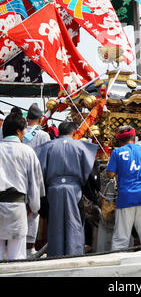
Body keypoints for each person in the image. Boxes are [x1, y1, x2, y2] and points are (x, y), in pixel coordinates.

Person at [34, 121, 98, 258]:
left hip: (53, 190)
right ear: (74, 132)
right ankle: (74, 255)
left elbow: (39, 173)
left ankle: (55, 256)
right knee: (75, 224)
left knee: (55, 225)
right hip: (74, 190)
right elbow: (90, 172)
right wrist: (94, 195)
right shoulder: (81, 147)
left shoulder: (47, 147)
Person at [0, 113, 45, 260]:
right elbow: (35, 183)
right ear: (19, 131)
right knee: (17, 256)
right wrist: (34, 207)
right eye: (23, 131)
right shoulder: (28, 152)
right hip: (18, 208)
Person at [106, 125, 141, 251]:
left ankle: (118, 266)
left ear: (119, 140)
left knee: (121, 237)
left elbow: (110, 174)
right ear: (134, 138)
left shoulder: (117, 152)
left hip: (126, 197)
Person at [23, 103, 51, 257]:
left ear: (27, 119)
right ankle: (29, 248)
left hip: (18, 178)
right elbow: (45, 160)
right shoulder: (43, 134)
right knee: (33, 213)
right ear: (40, 120)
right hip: (35, 177)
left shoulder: (20, 132)